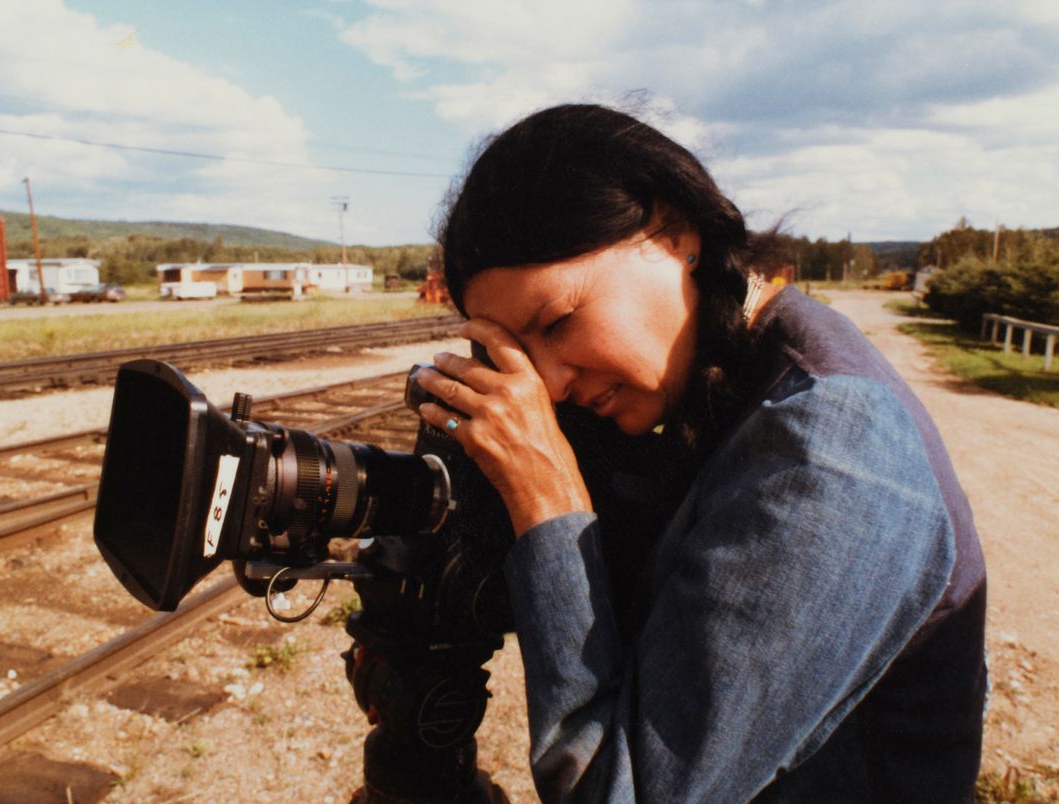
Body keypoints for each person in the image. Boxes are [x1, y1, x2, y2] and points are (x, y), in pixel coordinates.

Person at [411, 104, 986, 802]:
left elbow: (614, 789)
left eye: (559, 322)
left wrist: (547, 495)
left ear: (672, 232)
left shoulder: (827, 446)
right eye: (524, 358)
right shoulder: (747, 377)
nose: (553, 383)